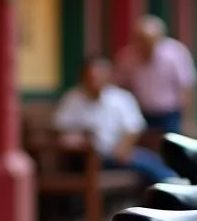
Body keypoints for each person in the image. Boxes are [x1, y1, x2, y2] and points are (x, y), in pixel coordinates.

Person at [54, 56, 174, 184]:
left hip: (115, 154)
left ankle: (172, 184)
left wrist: (122, 148)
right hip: (83, 159)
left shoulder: (120, 98)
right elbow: (60, 129)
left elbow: (134, 128)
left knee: (147, 161)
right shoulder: (72, 100)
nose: (95, 81)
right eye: (91, 77)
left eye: (100, 76)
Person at [114, 15, 197, 135]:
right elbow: (119, 86)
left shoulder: (175, 53)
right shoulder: (127, 57)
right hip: (141, 113)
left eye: (150, 41)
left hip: (170, 113)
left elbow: (187, 87)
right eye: (142, 41)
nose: (146, 46)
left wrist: (188, 120)